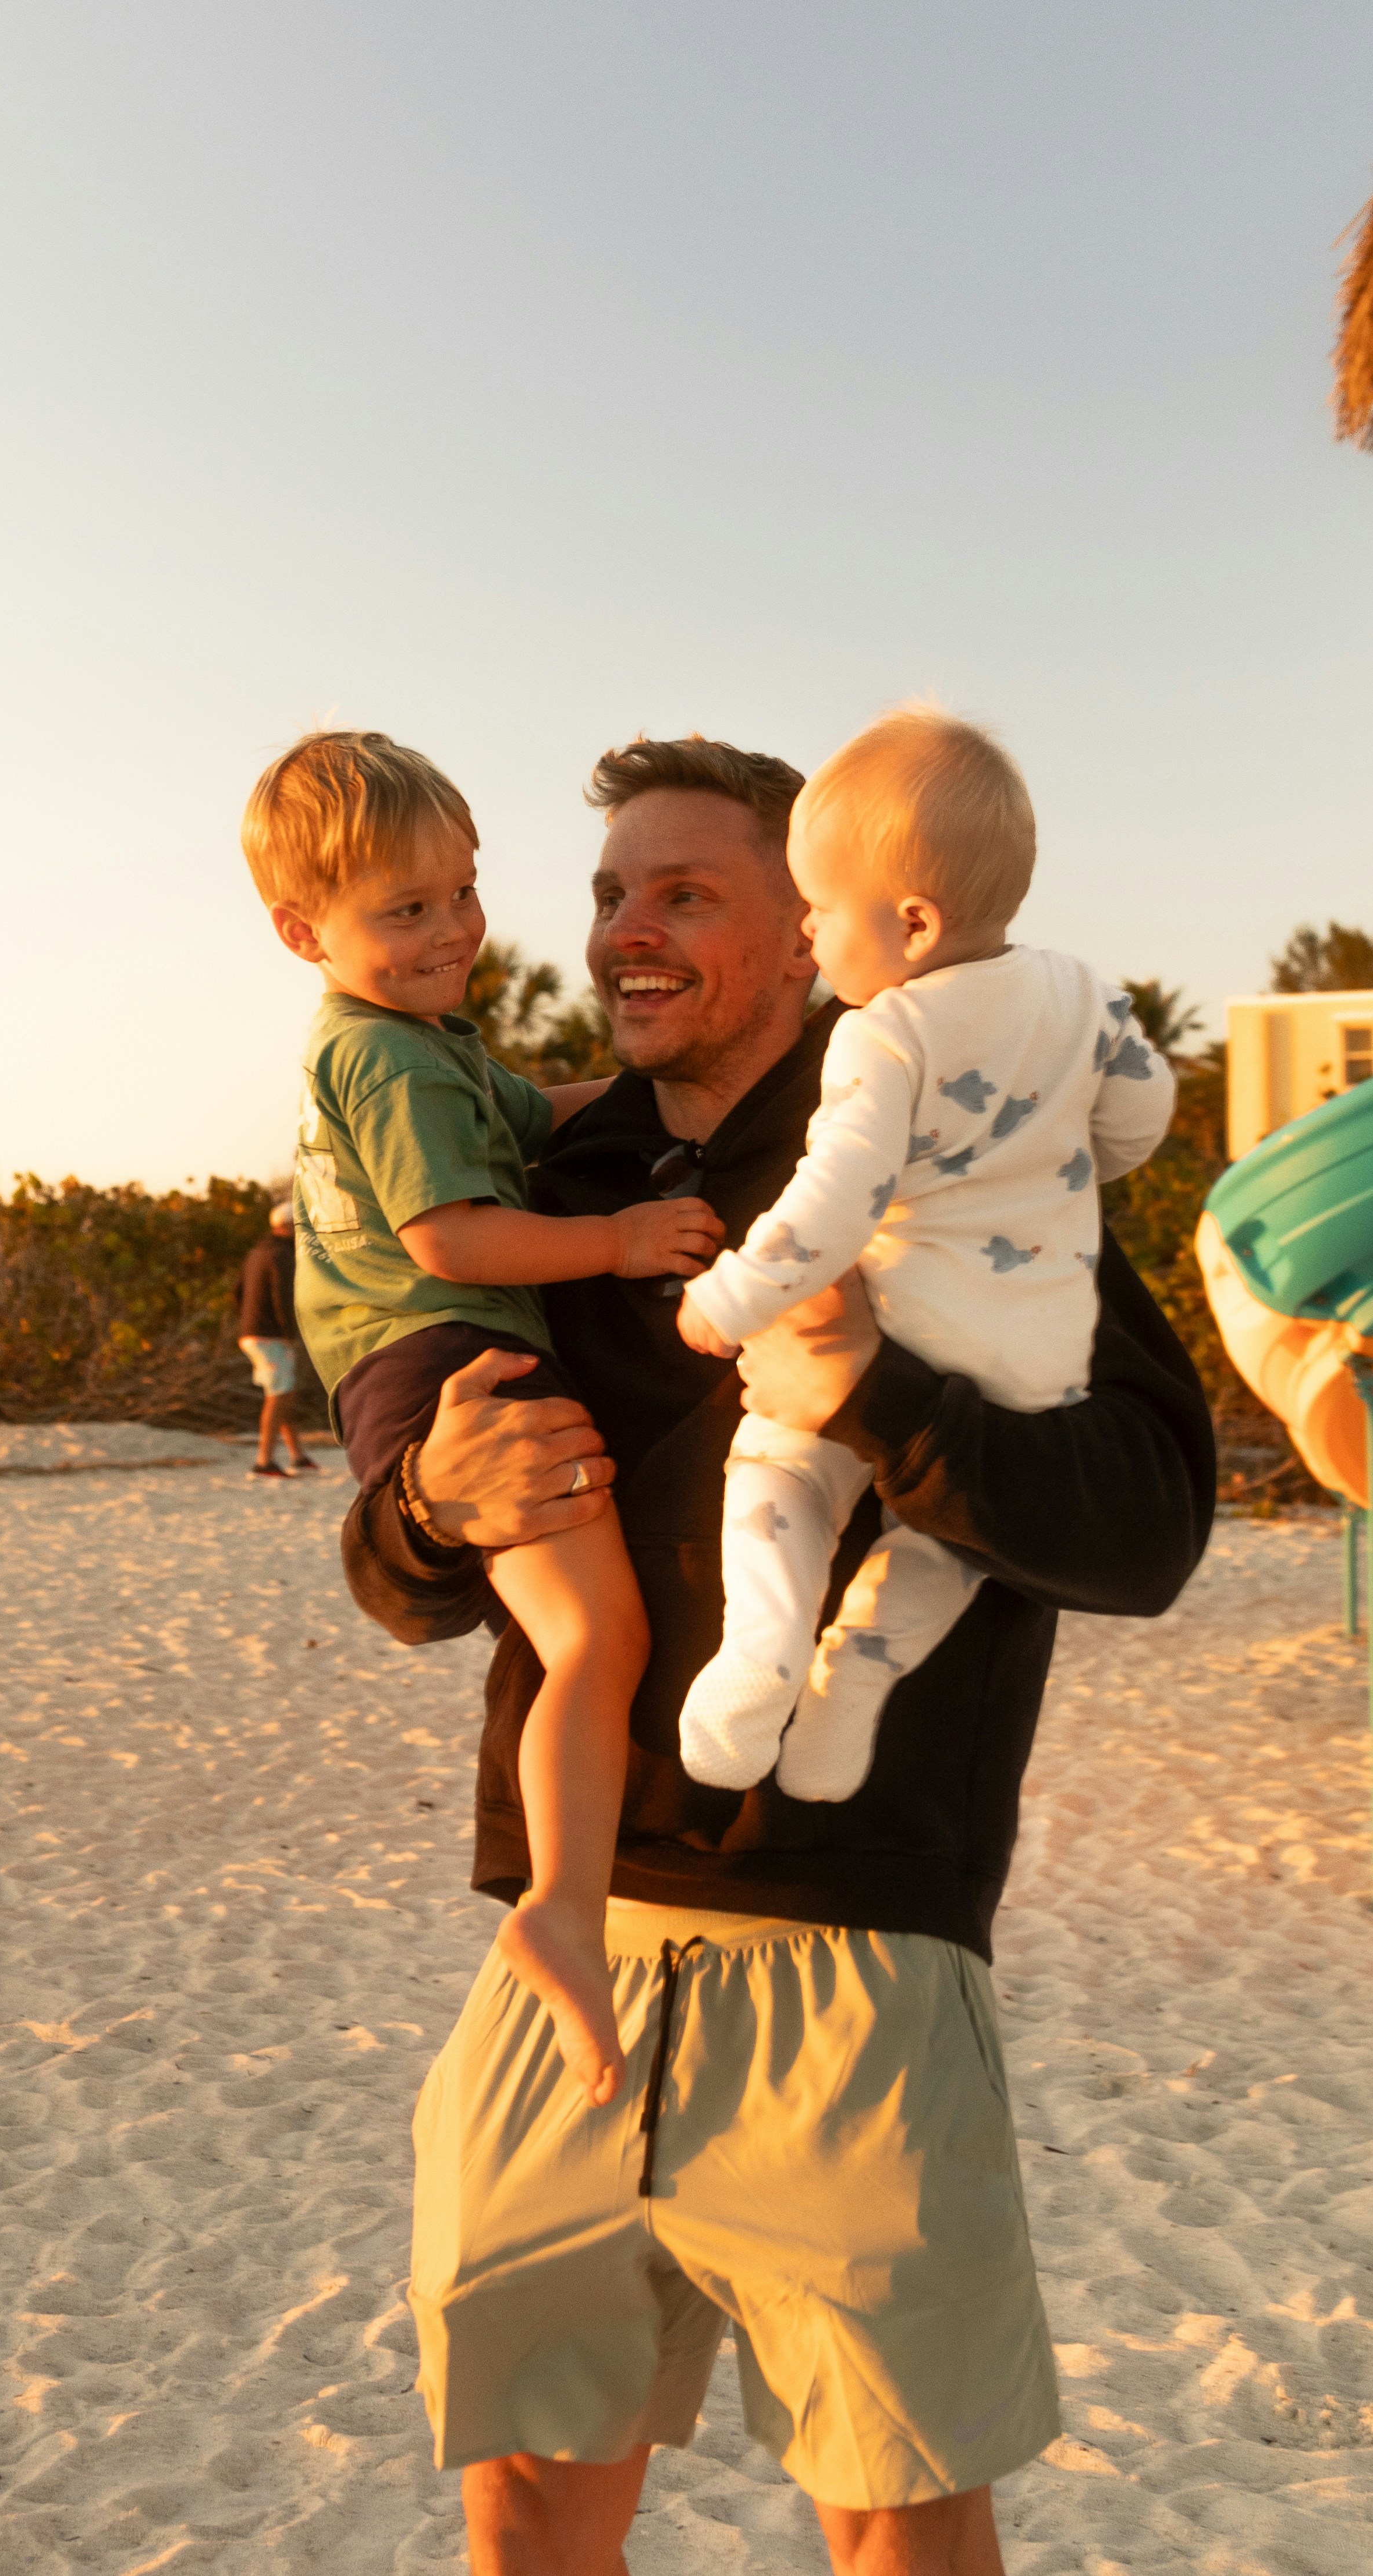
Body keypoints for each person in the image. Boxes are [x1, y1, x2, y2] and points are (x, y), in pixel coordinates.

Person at [340, 732, 1216, 2576]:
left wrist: (875, 1389)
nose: (621, 933)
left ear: (817, 930)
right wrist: (425, 1500)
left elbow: (1143, 1521)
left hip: (856, 1943)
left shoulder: (966, 1126)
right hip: (564, 1939)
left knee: (891, 2511)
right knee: (526, 2485)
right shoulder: (555, 1178)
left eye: (684, 892)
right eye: (602, 895)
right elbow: (411, 1579)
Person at [241, 731, 723, 2109]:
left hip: (418, 1360)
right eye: (407, 910)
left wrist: (652, 1090)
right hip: (443, 1351)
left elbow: (547, 1113)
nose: (455, 927)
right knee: (596, 1633)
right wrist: (625, 1239)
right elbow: (452, 1233)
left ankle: (565, 1897)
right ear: (301, 931)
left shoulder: (422, 1045)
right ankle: (563, 1903)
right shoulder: (387, 1061)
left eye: (462, 889)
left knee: (588, 1632)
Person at [675, 707, 1176, 1799]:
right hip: (1034, 1353)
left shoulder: (882, 1031)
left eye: (814, 908)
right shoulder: (1081, 991)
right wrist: (1069, 1168)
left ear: (908, 923)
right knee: (944, 1539)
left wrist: (734, 1295)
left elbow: (836, 1199)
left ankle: (761, 1648)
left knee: (782, 1470)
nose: (809, 935)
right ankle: (855, 1672)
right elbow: (1143, 1109)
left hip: (900, 1321)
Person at [235, 1200, 315, 1479]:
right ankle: (264, 1462)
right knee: (279, 1395)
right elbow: (283, 1296)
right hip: (273, 1337)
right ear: (290, 1226)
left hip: (251, 1335)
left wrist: (247, 1325)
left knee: (284, 1392)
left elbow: (238, 1293)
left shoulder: (257, 1252)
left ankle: (298, 1456)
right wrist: (290, 1333)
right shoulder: (282, 1254)